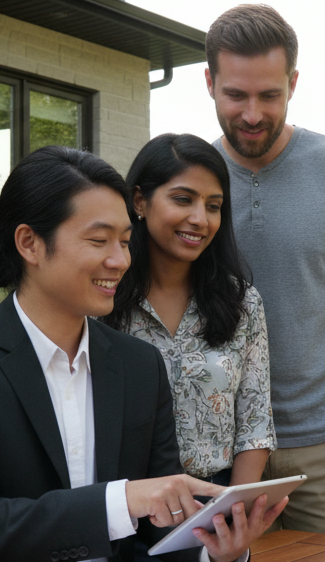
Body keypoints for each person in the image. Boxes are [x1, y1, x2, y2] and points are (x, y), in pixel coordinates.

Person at [0, 145, 286, 562]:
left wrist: (216, 551)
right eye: (99, 241)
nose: (120, 261)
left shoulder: (137, 365)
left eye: (125, 241)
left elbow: (155, 529)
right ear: (30, 243)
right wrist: (124, 499)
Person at [204, 4, 325, 539]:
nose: (252, 113)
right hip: (215, 450)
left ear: (293, 83)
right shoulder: (188, 176)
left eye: (269, 95)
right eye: (236, 95)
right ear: (209, 84)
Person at [102, 133, 275, 488]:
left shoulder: (241, 302)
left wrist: (233, 510)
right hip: (124, 501)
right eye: (183, 199)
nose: (200, 219)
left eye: (213, 205)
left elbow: (255, 422)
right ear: (139, 201)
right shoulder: (103, 297)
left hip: (214, 497)